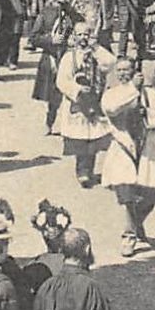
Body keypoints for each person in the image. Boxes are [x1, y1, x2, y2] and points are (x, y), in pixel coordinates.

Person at [100, 61, 155, 258]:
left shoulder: (148, 93)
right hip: (124, 147)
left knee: (152, 194)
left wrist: (147, 115)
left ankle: (136, 224)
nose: (123, 74)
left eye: (127, 70)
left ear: (134, 72)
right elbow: (112, 109)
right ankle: (129, 237)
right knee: (128, 193)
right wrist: (133, 88)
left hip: (147, 146)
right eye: (120, 70)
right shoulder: (112, 93)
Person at [55, 22, 114, 188]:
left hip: (95, 101)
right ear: (74, 36)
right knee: (80, 140)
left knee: (93, 139)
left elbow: (111, 63)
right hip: (78, 103)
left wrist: (96, 48)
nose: (83, 38)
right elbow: (61, 81)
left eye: (86, 35)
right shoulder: (70, 57)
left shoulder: (96, 54)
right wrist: (77, 89)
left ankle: (90, 169)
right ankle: (82, 171)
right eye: (80, 35)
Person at [27, 0, 77, 135]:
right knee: (54, 96)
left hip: (69, 56)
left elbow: (82, 27)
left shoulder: (72, 12)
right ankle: (49, 122)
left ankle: (70, 125)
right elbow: (33, 37)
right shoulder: (46, 12)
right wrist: (51, 40)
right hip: (52, 57)